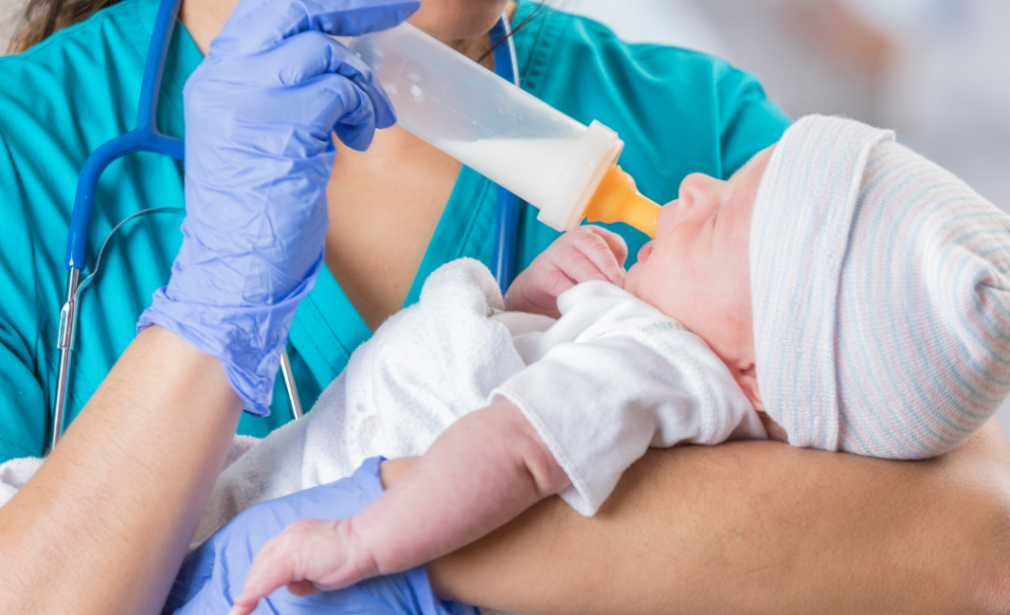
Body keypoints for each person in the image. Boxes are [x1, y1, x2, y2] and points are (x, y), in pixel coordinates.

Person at [0, 0, 1007, 612]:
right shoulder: (26, 154)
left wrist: (403, 543)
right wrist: (210, 315)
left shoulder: (689, 125)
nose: (694, 201)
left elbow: (978, 553)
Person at [178, 114, 1009, 614]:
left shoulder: (665, 364)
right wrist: (536, 306)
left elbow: (516, 445)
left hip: (297, 532)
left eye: (718, 221)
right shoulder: (666, 348)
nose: (691, 185)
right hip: (277, 480)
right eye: (723, 181)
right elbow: (537, 383)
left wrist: (360, 536)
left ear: (761, 372)